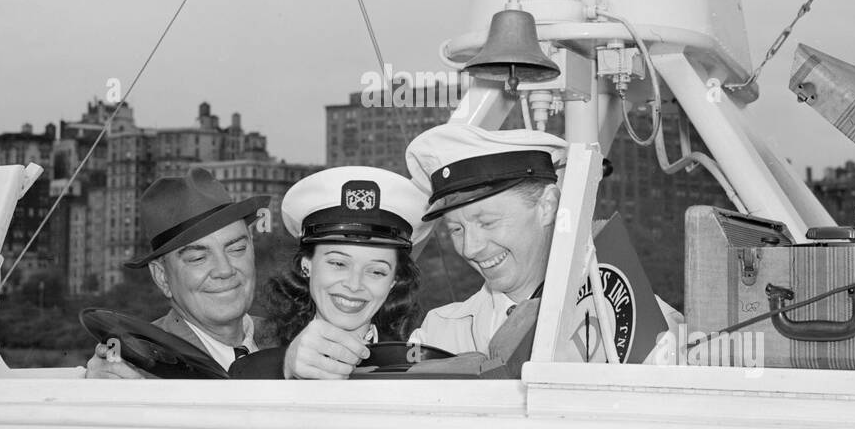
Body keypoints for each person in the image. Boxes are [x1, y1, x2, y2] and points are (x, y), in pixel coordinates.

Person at [405, 123, 683, 359]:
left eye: (487, 222)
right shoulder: (437, 335)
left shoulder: (639, 319)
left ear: (547, 206)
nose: (470, 247)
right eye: (456, 229)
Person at [242, 166, 429, 379]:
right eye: (338, 263)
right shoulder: (253, 368)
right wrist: (284, 368)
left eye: (376, 271)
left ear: (394, 281)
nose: (354, 284)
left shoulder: (416, 370)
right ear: (307, 265)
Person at [84, 167, 268, 379]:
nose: (224, 270)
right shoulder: (137, 368)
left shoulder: (293, 342)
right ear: (162, 277)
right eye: (198, 258)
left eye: (237, 249)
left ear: (252, 248)